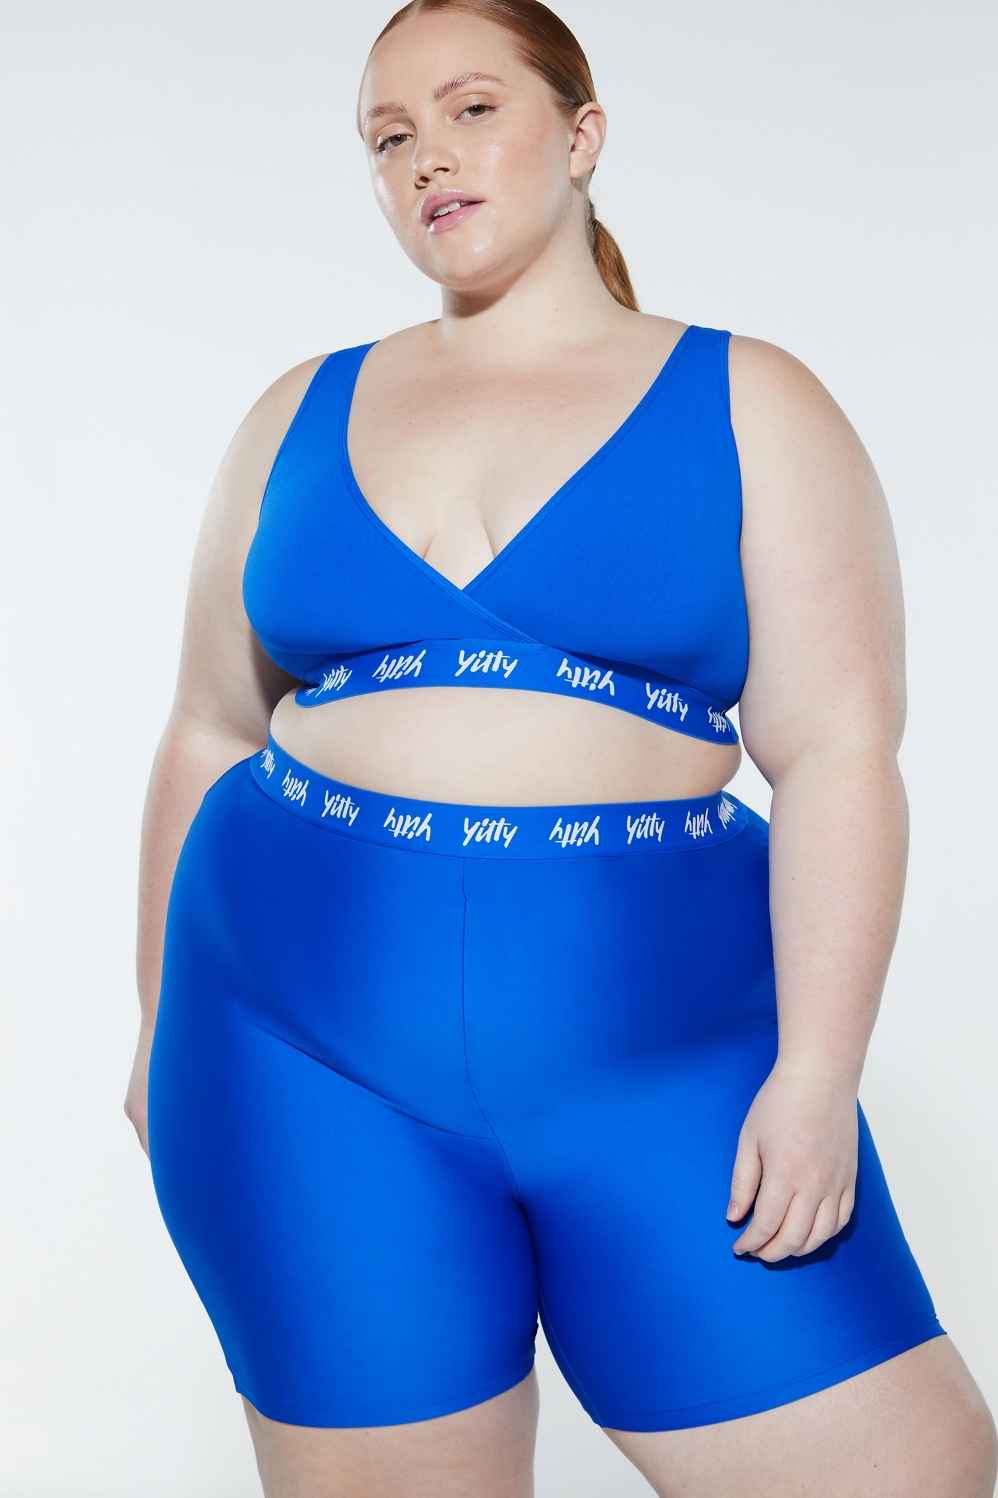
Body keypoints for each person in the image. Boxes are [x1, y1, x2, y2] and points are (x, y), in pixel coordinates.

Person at [124, 2, 998, 1495]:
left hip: (664, 1050)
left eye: (471, 109)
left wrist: (816, 1072)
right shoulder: (294, 413)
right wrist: (157, 1029)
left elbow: (840, 752)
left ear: (581, 135)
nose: (427, 158)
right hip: (298, 1054)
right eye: (389, 136)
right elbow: (208, 725)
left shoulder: (752, 400)